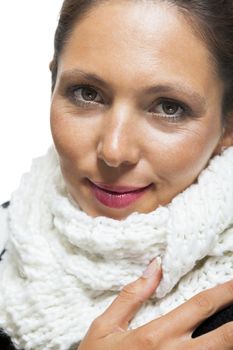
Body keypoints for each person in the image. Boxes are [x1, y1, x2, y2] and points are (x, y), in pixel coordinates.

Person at [0, 0, 233, 349]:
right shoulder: (8, 230)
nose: (114, 151)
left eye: (169, 107)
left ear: (228, 125)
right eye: (87, 94)